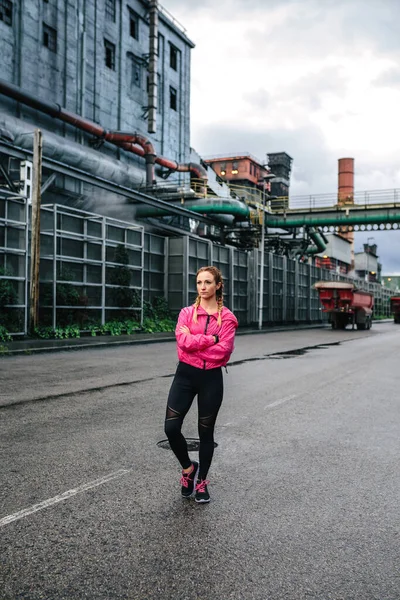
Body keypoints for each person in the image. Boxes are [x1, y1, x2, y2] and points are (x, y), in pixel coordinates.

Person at [164, 266, 238, 503]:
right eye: (199, 282)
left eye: (207, 282)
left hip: (211, 379)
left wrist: (198, 343)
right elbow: (182, 342)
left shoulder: (227, 318)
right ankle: (188, 469)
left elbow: (223, 351)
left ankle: (203, 481)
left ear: (218, 285)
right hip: (185, 375)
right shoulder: (186, 313)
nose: (202, 287)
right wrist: (210, 339)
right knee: (171, 428)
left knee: (205, 433)